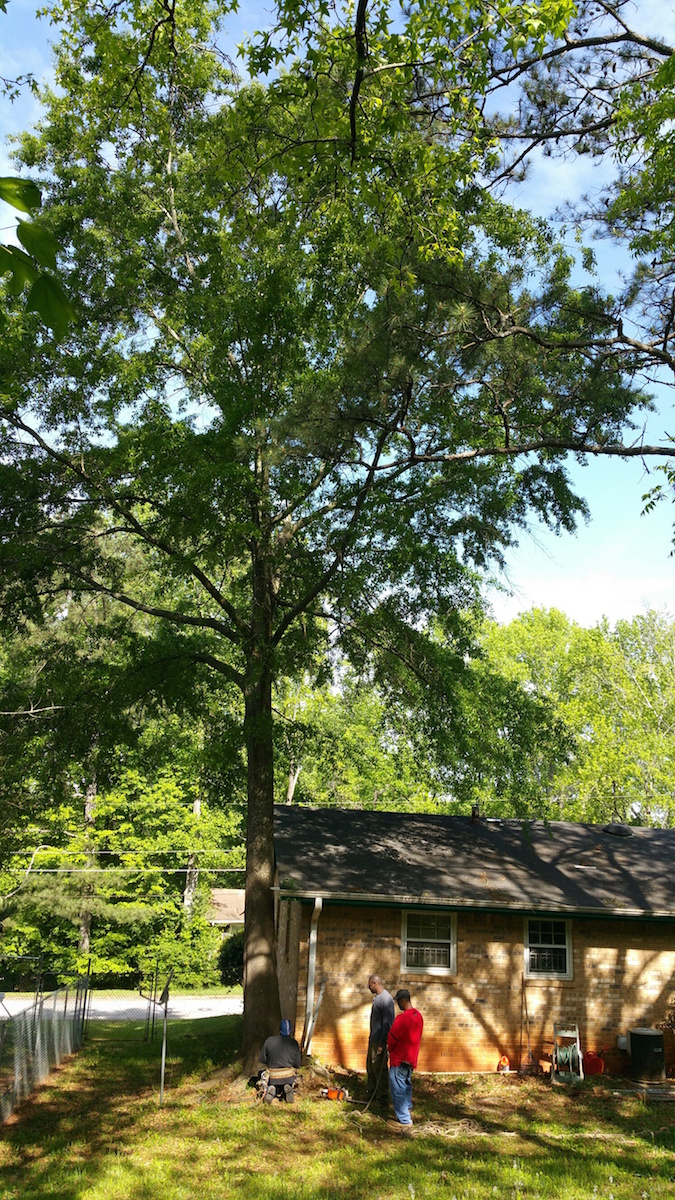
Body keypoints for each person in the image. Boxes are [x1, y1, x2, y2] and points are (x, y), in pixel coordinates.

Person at [387, 988, 423, 1128]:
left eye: (398, 1002)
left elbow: (392, 1038)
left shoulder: (402, 1018)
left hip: (399, 1059)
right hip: (411, 1059)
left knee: (398, 1088)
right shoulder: (418, 1016)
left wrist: (389, 1049)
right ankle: (407, 1111)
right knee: (406, 1086)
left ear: (403, 1001)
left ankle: (405, 1121)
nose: (398, 1005)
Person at [259, 1018, 302, 1103]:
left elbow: (263, 1059)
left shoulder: (269, 1040)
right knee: (290, 1078)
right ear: (290, 1030)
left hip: (273, 1075)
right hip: (288, 1075)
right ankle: (287, 1087)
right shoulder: (293, 1043)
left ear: (279, 1029)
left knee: (269, 1079)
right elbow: (297, 1064)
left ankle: (272, 1089)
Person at [366, 974, 395, 1101]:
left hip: (378, 1041)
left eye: (370, 984)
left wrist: (381, 1044)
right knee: (371, 1067)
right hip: (373, 1039)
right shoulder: (378, 998)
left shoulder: (386, 999)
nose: (368, 987)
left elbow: (387, 1024)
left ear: (375, 983)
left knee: (379, 1068)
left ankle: (382, 1097)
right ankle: (371, 1093)